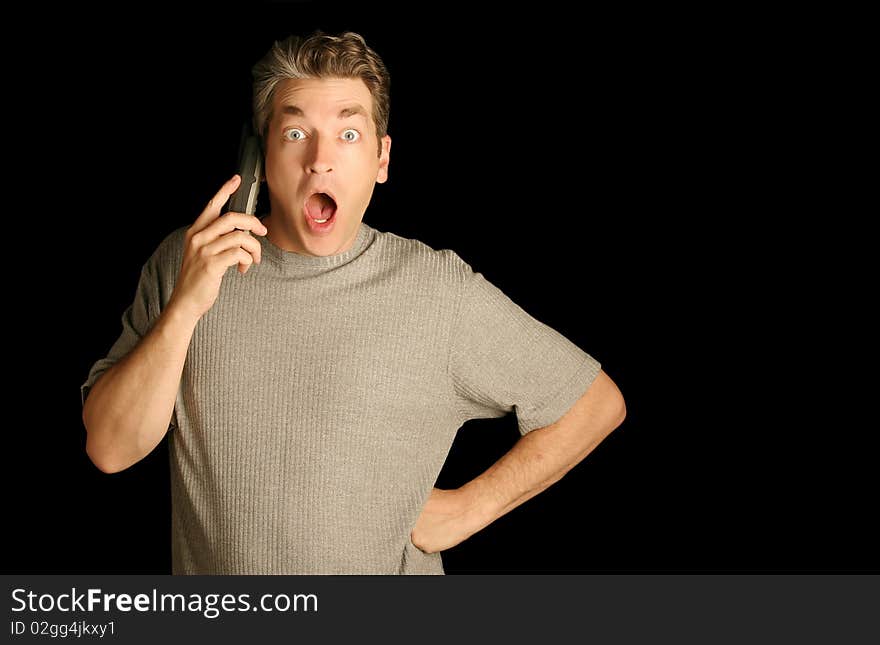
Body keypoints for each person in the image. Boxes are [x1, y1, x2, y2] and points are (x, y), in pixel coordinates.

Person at [80, 31, 626, 575]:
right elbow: (110, 448)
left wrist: (468, 508)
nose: (320, 161)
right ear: (261, 156)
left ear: (381, 158)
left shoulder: (436, 290)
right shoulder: (188, 260)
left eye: (347, 133)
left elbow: (594, 405)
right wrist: (186, 306)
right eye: (296, 132)